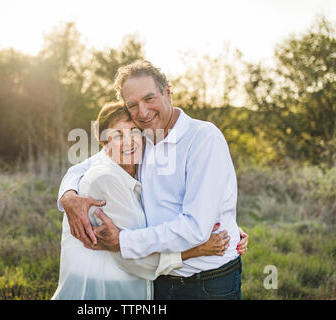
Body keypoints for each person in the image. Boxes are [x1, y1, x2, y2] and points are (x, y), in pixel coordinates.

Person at [58, 61, 248, 300]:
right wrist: (68, 197)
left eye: (149, 99)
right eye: (133, 105)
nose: (143, 112)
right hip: (157, 279)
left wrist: (123, 241)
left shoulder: (203, 138)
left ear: (167, 91)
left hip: (205, 282)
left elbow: (196, 228)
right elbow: (85, 166)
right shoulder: (142, 136)